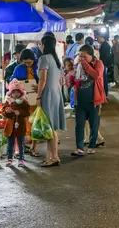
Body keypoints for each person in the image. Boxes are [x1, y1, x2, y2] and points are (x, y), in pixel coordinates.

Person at [72, 44, 107, 157]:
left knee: (93, 124)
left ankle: (92, 146)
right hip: (81, 100)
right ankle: (79, 147)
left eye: (84, 56)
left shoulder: (98, 63)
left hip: (94, 100)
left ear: (91, 55)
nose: (82, 59)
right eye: (80, 56)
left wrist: (86, 65)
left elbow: (97, 75)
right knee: (79, 125)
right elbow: (76, 80)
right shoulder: (79, 65)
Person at [37, 35, 66, 167]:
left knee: (49, 128)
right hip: (56, 93)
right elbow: (60, 80)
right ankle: (51, 156)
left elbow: (42, 80)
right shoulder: (56, 59)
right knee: (51, 127)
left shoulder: (43, 58)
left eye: (41, 44)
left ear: (44, 45)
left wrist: (38, 96)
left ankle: (54, 157)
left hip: (48, 94)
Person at [2, 79, 31, 167]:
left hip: (20, 126)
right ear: (10, 93)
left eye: (18, 92)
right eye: (14, 92)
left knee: (21, 143)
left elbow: (28, 112)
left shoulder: (24, 102)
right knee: (10, 144)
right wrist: (7, 111)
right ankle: (9, 159)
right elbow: (3, 111)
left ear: (21, 93)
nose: (16, 94)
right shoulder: (8, 101)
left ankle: (21, 159)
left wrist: (20, 113)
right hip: (10, 127)